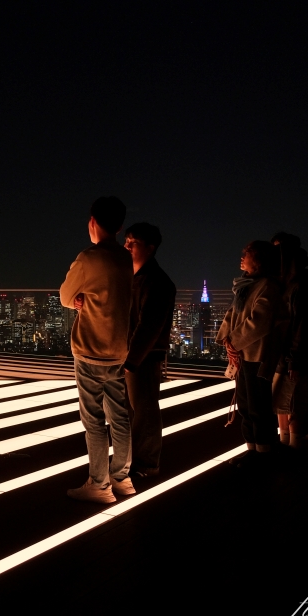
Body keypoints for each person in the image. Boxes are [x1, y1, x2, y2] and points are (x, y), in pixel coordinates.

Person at [60, 196, 134, 503]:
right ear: (119, 226)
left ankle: (99, 484)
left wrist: (78, 300)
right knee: (120, 415)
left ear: (93, 222)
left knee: (93, 419)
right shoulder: (125, 257)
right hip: (119, 348)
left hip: (90, 347)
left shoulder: (88, 257)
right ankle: (122, 478)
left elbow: (66, 295)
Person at [216, 241, 284, 466]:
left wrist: (233, 341)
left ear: (260, 260)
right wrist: (226, 339)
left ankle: (264, 451)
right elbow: (232, 314)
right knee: (246, 404)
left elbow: (260, 321)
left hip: (256, 354)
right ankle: (253, 449)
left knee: (258, 405)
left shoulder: (267, 286)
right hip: (244, 354)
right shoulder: (246, 286)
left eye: (247, 255)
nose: (242, 258)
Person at [122, 222, 176, 477]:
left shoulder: (157, 282)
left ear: (150, 248)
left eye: (133, 243)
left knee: (144, 411)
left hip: (143, 358)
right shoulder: (130, 277)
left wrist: (131, 360)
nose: (127, 246)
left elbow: (149, 326)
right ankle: (133, 461)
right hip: (130, 356)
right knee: (134, 411)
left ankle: (146, 464)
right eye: (127, 241)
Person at [270, 235, 308, 448]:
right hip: (283, 355)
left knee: (292, 401)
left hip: (291, 355)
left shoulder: (299, 287)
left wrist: (295, 359)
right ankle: (286, 443)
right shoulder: (286, 284)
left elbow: (303, 326)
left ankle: (294, 446)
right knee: (282, 402)